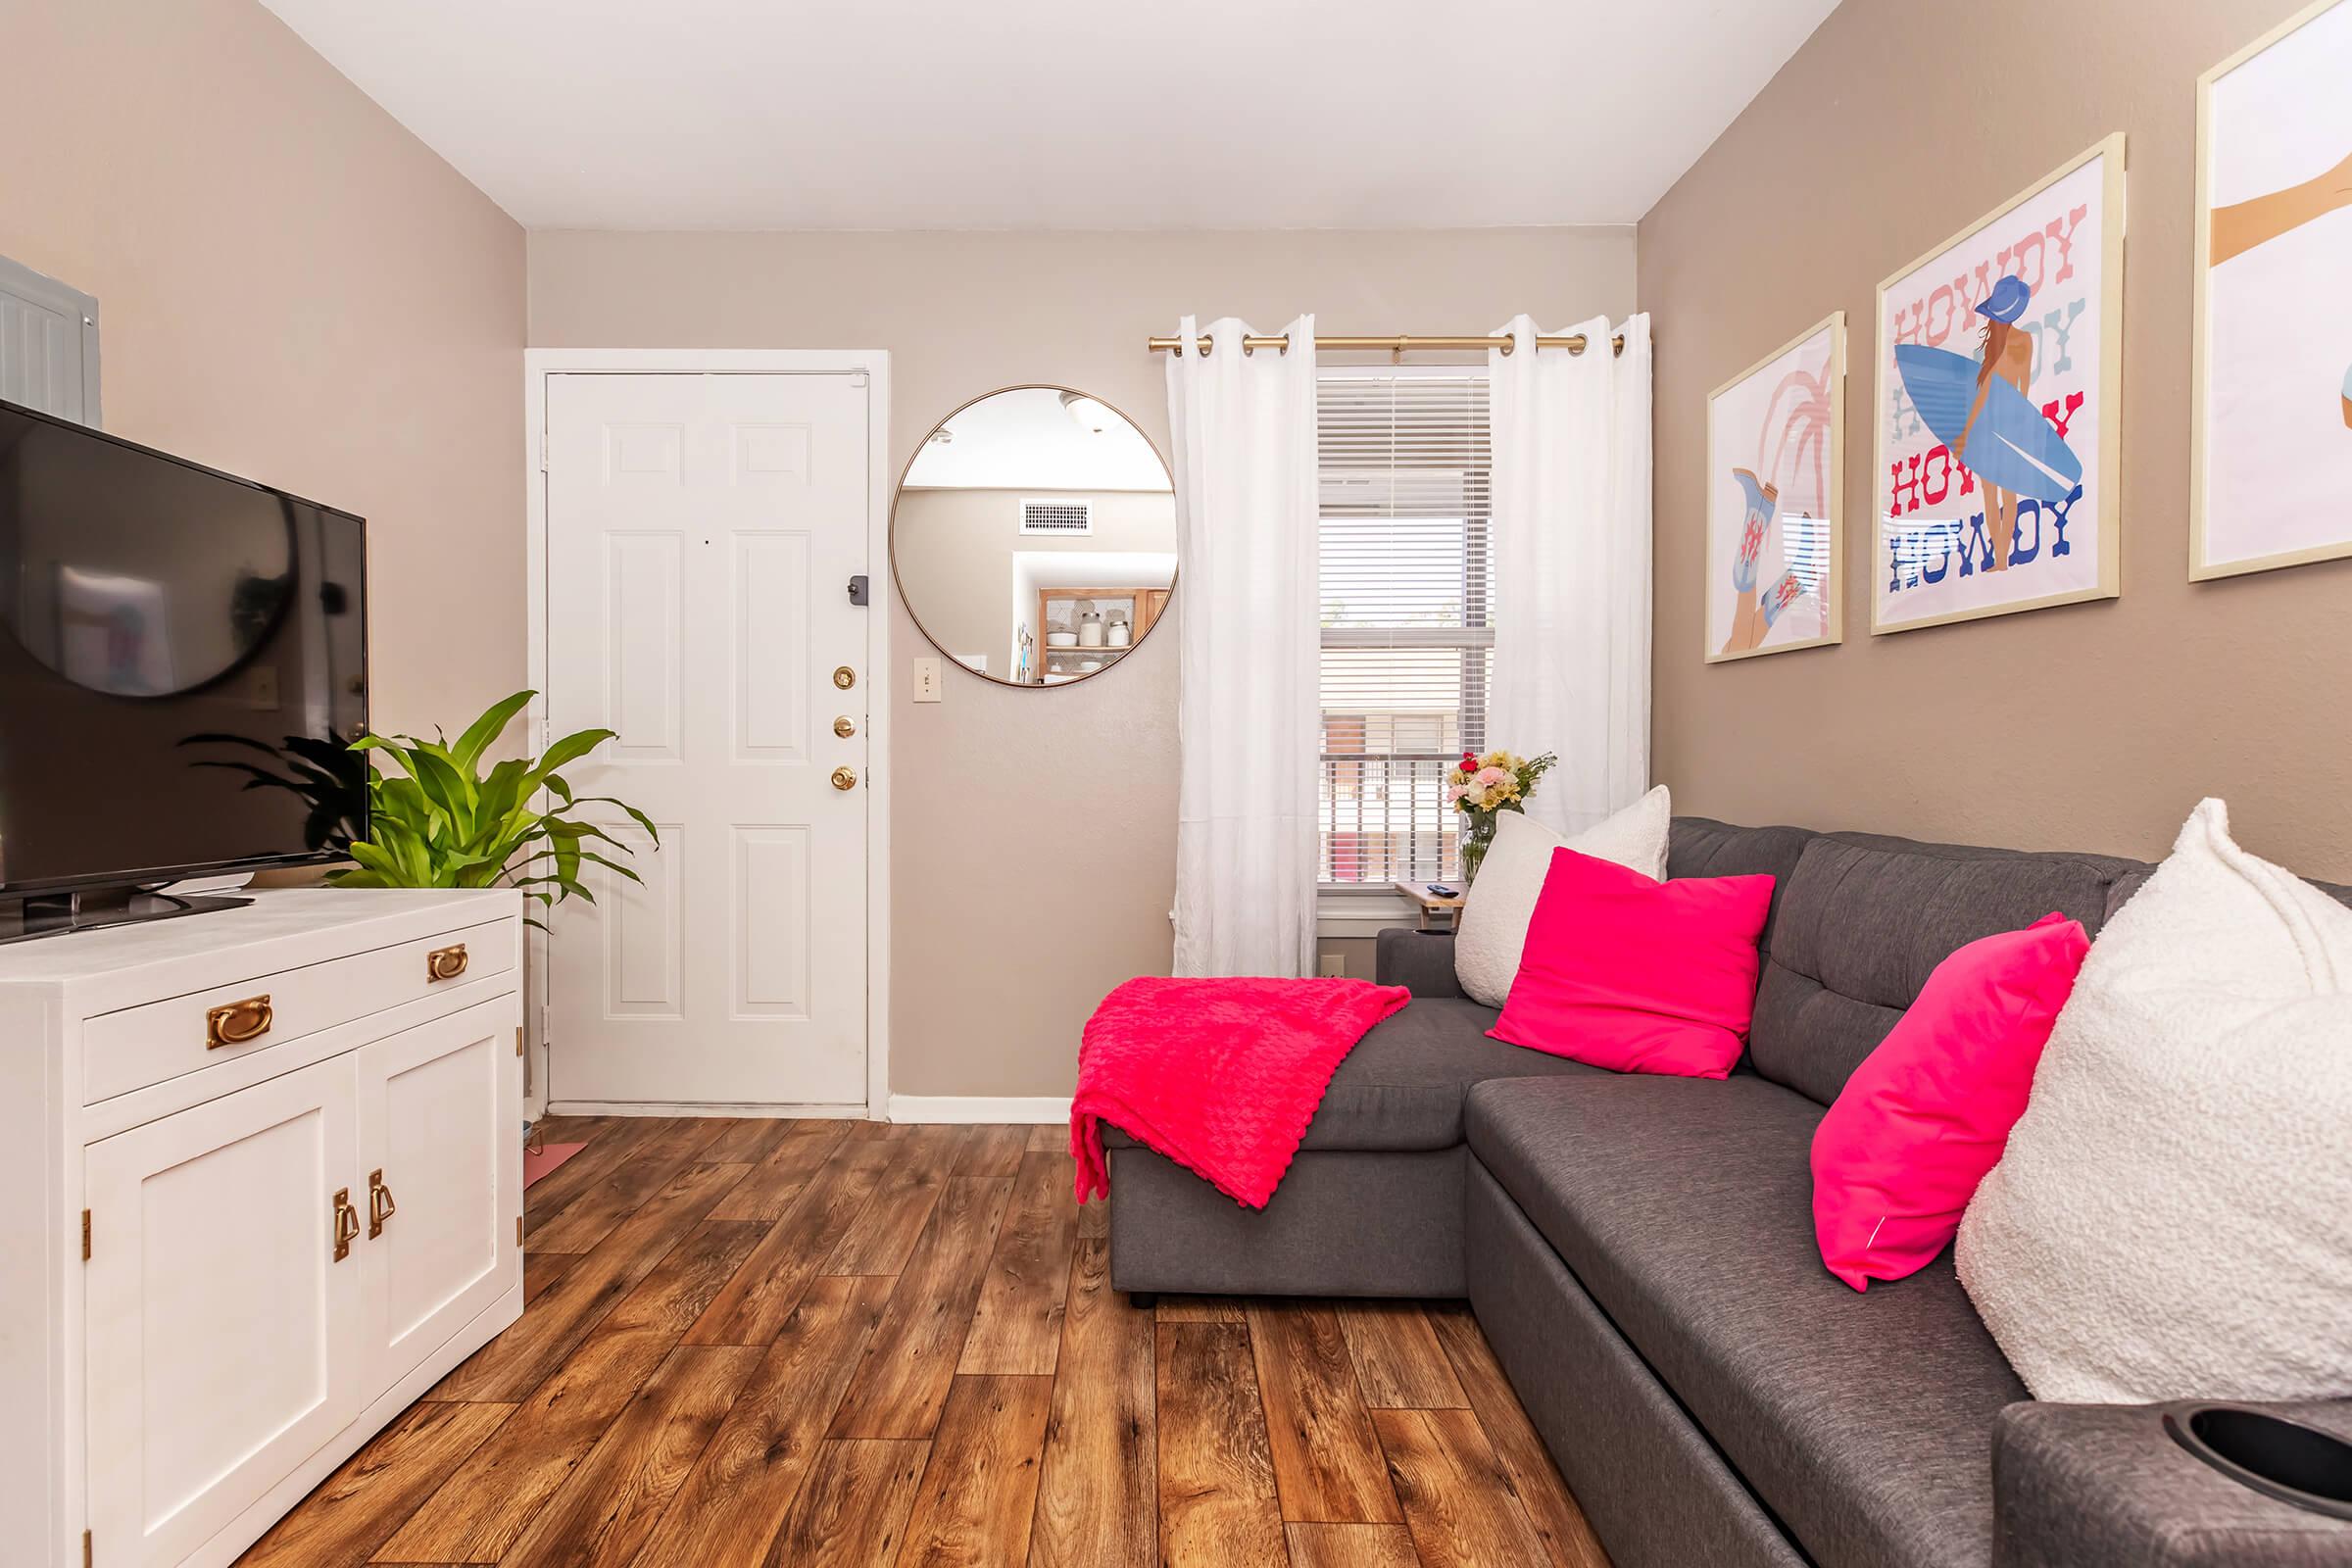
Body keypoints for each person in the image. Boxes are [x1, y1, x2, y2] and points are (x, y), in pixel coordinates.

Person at [1956, 273, 2035, 571]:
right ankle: (2000, 556)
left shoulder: (2016, 343)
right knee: (1995, 493)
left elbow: (2018, 387)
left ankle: (2002, 557)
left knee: (2002, 492)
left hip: (2004, 425)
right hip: (1995, 425)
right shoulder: (1997, 348)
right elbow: (1989, 392)